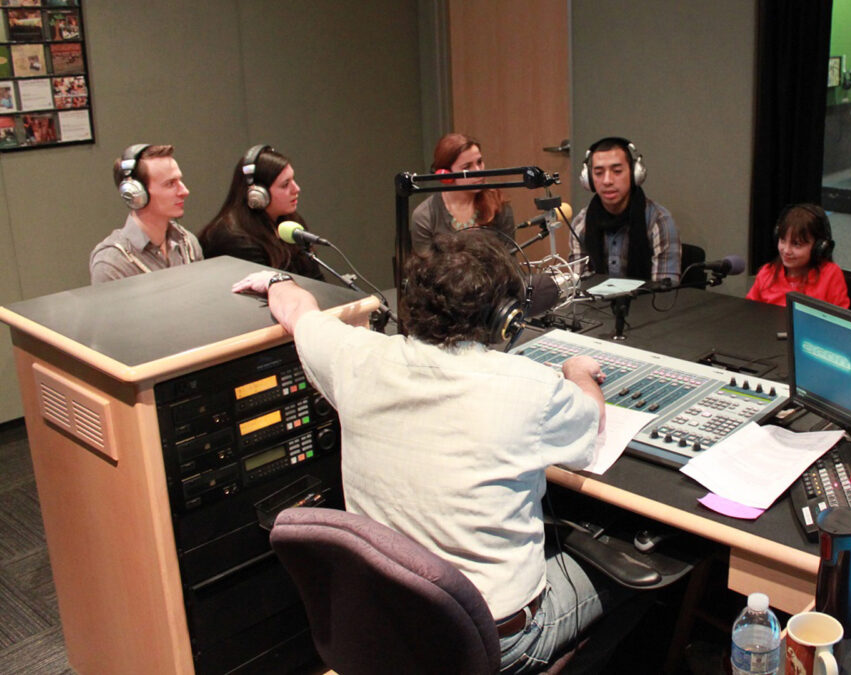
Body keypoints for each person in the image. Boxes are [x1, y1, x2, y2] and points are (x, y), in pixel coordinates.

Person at [232, 230, 641, 672]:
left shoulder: (353, 357)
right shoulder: (532, 390)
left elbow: (298, 312)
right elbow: (592, 419)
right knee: (638, 579)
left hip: (389, 626)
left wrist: (277, 280)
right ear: (506, 319)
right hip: (497, 641)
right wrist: (576, 371)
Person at [199, 145, 322, 279]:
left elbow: (316, 279)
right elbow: (263, 294)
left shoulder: (290, 223)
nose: (296, 189)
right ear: (257, 194)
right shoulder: (234, 238)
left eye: (293, 179)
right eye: (285, 185)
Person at [569, 137, 681, 284]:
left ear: (634, 174)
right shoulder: (581, 224)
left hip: (647, 304)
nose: (607, 180)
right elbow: (579, 287)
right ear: (588, 179)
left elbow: (664, 293)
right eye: (598, 173)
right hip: (597, 306)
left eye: (617, 171)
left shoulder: (659, 221)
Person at [90, 144, 201, 284]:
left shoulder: (187, 244)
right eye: (170, 183)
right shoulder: (113, 263)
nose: (184, 191)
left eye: (180, 181)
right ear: (135, 194)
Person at [410, 133, 515, 254]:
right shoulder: (425, 216)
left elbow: (509, 262)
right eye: (467, 167)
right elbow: (425, 269)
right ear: (445, 174)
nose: (477, 171)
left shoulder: (498, 205)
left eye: (479, 162)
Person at [746, 204, 849, 308]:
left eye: (796, 244)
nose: (786, 250)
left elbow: (843, 321)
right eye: (782, 240)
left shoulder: (831, 275)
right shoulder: (767, 274)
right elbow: (750, 313)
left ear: (819, 247)